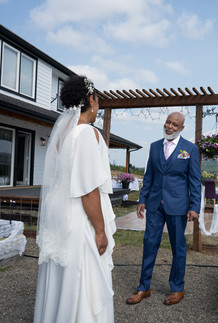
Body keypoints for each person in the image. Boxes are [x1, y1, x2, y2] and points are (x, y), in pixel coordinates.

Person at [34, 75, 116, 322]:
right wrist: (100, 231)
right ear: (91, 100)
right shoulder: (88, 134)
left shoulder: (62, 135)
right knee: (82, 273)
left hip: (60, 215)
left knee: (62, 272)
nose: (98, 105)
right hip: (81, 219)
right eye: (98, 99)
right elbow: (88, 190)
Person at [126, 112, 201, 306]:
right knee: (149, 244)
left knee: (178, 247)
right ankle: (144, 287)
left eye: (175, 125)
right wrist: (142, 199)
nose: (170, 126)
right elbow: (149, 175)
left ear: (181, 128)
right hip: (154, 204)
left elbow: (194, 180)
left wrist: (195, 206)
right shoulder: (154, 146)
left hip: (178, 206)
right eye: (168, 122)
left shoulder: (190, 149)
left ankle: (177, 288)